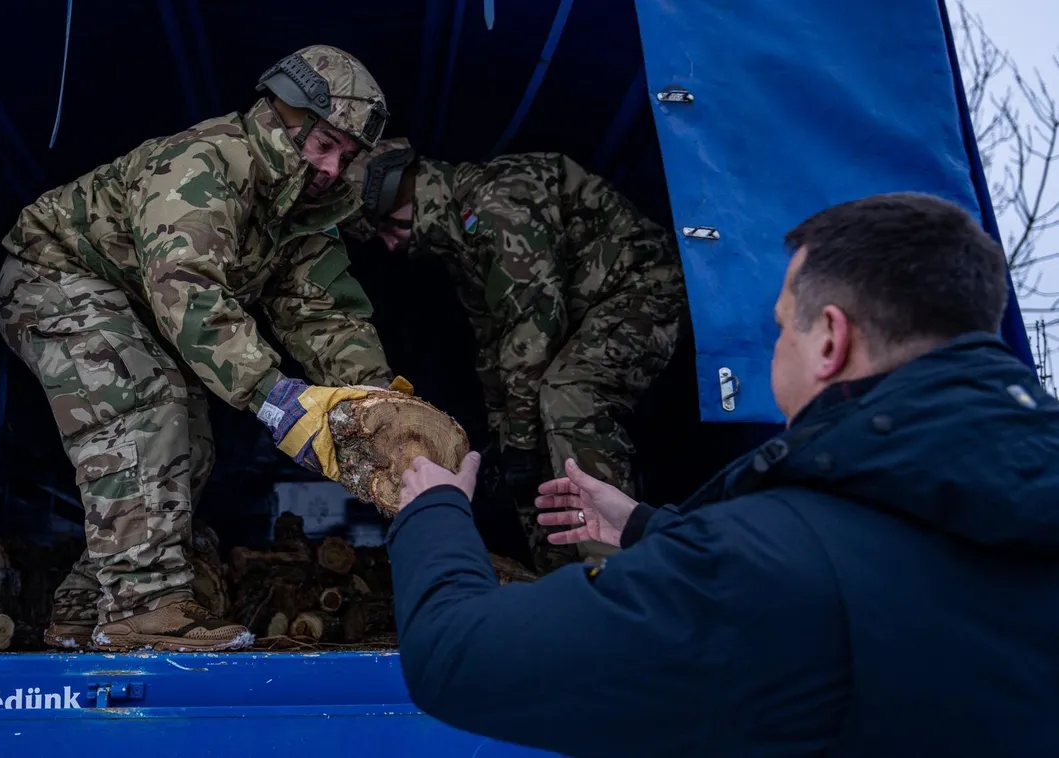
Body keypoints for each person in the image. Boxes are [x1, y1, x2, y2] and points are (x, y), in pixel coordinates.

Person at [383, 192, 1059, 757]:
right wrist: (647, 529)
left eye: (780, 331)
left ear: (830, 339)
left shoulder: (764, 569)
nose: (775, 355)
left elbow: (457, 658)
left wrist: (434, 513)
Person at [0, 45, 406, 653]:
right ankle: (144, 609)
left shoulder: (300, 212)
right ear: (282, 116)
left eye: (346, 156)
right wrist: (278, 398)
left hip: (140, 308)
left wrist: (377, 397)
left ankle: (86, 607)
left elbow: (325, 313)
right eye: (325, 145)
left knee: (188, 444)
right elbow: (188, 295)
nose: (332, 167)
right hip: (53, 277)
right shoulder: (201, 165)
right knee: (145, 402)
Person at [342, 137, 685, 573]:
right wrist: (506, 436)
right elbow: (495, 349)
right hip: (577, 314)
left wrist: (521, 442)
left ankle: (616, 573)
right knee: (520, 429)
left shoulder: (496, 204)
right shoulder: (459, 242)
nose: (390, 244)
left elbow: (534, 329)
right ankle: (559, 575)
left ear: (404, 193)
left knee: (568, 393)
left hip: (642, 288)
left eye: (389, 226)